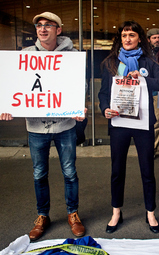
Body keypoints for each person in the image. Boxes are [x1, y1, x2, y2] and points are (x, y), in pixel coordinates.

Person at [0, 12, 86, 241]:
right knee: (39, 174)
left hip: (65, 127)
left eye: (48, 25)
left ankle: (72, 213)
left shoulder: (73, 56)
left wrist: (79, 107)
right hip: (36, 128)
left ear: (58, 30)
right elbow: (14, 85)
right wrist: (8, 105)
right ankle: (42, 215)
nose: (43, 28)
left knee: (70, 172)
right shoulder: (25, 56)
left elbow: (79, 85)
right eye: (39, 25)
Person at [98, 21, 159, 234]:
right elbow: (103, 93)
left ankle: (150, 212)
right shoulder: (110, 63)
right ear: (120, 39)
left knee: (147, 170)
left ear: (139, 38)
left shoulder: (148, 62)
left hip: (143, 124)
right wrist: (104, 108)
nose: (128, 39)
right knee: (117, 170)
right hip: (119, 123)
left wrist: (145, 79)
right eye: (124, 36)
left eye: (132, 35)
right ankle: (116, 212)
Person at [147, 28, 159, 157]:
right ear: (149, 39)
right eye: (154, 38)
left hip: (158, 92)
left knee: (157, 121)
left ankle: (152, 150)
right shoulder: (143, 53)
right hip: (145, 91)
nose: (157, 40)